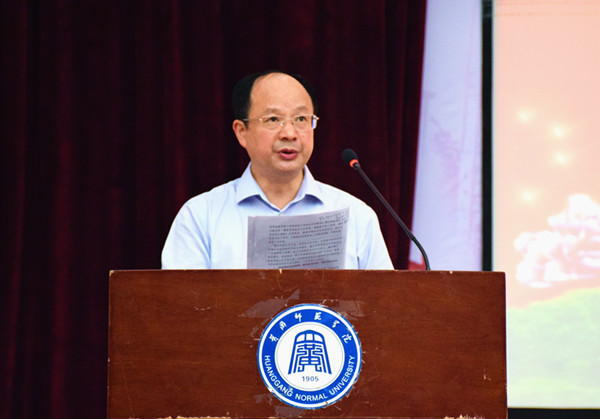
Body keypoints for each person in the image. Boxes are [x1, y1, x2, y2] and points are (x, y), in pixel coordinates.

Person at [161, 70, 393, 269]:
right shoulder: (200, 217)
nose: (289, 133)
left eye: (301, 119)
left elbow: (385, 302)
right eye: (273, 119)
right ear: (241, 132)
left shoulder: (356, 216)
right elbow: (182, 304)